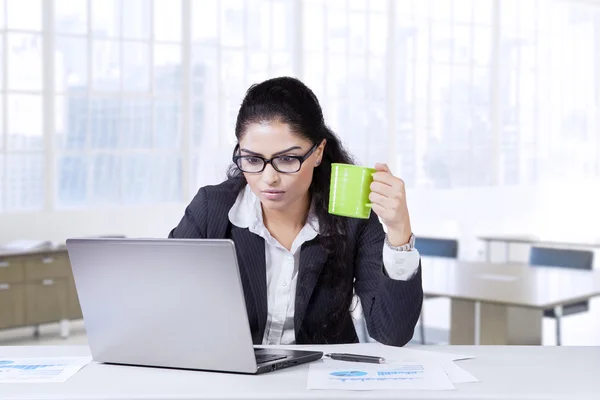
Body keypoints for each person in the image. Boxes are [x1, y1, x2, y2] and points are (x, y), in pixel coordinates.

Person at [169, 77, 422, 347]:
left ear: (318, 152)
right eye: (253, 160)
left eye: (287, 159)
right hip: (236, 379)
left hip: (324, 380)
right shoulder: (213, 208)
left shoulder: (351, 216)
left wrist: (398, 233)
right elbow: (167, 302)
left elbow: (392, 333)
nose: (269, 179)